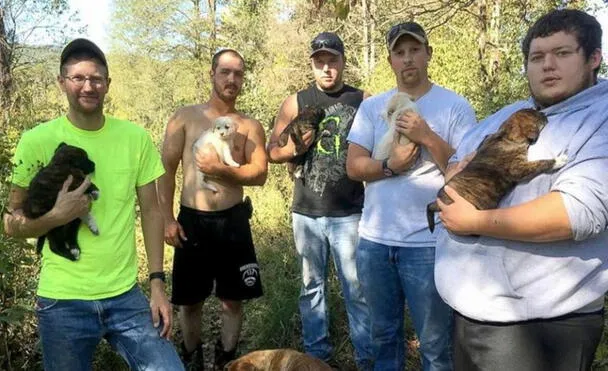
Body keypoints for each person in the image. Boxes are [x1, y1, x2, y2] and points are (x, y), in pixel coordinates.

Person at [435, 9, 607, 371]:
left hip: (540, 329)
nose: (547, 66)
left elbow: (579, 213)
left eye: (562, 54)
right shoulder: (512, 112)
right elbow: (458, 159)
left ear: (594, 58)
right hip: (470, 313)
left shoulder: (601, 117)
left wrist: (476, 221)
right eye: (537, 57)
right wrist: (456, 169)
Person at [3, 38, 184, 370]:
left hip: (126, 296)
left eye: (96, 78)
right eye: (78, 78)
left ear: (108, 84)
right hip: (62, 300)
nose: (88, 86)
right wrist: (56, 216)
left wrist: (157, 283)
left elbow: (153, 211)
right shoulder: (35, 142)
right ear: (62, 82)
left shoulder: (134, 138)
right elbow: (10, 222)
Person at [346, 22, 477, 371]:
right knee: (383, 338)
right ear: (390, 60)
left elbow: (466, 172)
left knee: (436, 345)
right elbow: (353, 166)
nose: (408, 59)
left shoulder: (454, 106)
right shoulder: (372, 107)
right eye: (399, 53)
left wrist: (427, 135)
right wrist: (389, 166)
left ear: (428, 54)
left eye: (415, 50)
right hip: (374, 243)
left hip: (429, 243)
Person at [267, 32, 373, 370]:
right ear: (312, 64)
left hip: (350, 212)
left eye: (332, 61)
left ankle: (366, 359)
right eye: (320, 62)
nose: (326, 68)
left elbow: (380, 146)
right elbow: (272, 151)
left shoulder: (363, 100)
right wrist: (296, 149)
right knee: (311, 289)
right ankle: (316, 361)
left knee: (356, 289)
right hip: (307, 213)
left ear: (343, 61)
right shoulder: (295, 101)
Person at [158, 48, 268, 371]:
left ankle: (227, 361)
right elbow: (164, 170)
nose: (232, 79)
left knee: (232, 300)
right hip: (192, 221)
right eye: (225, 72)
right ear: (212, 73)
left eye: (238, 73)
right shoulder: (185, 117)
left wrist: (221, 169)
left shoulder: (249, 125)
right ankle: (192, 359)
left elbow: (260, 173)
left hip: (233, 221)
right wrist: (167, 218)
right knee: (190, 302)